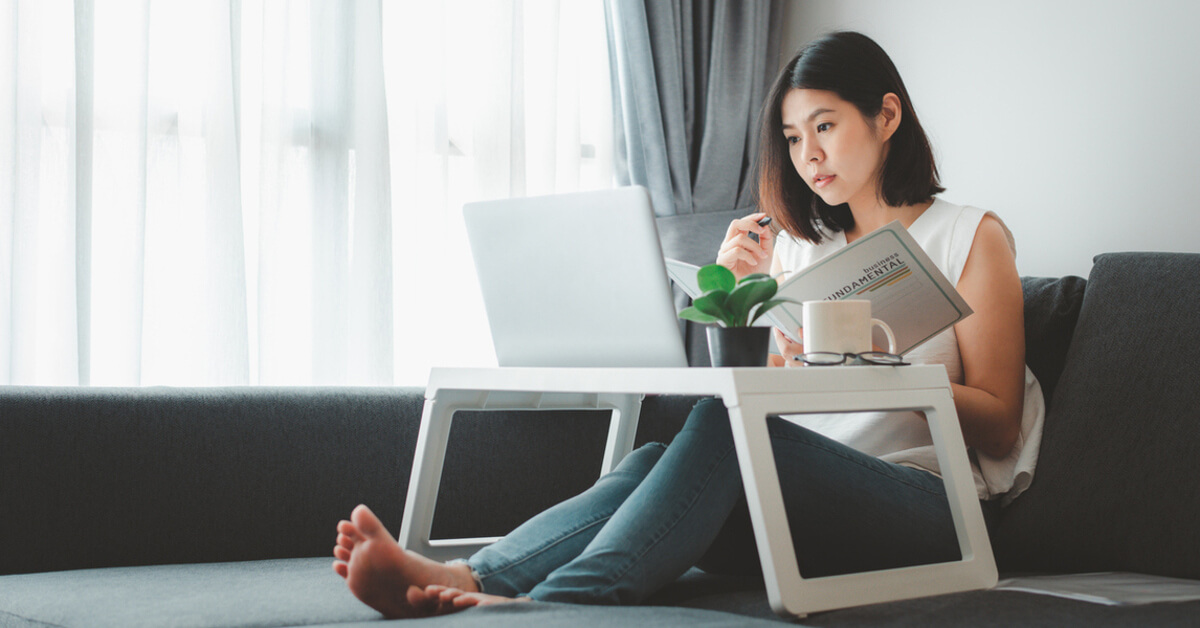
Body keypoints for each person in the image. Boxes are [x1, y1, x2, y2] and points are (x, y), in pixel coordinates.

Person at [331, 30, 1045, 618]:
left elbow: (1000, 423)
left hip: (925, 508)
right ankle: (472, 577)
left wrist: (874, 372)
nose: (809, 156)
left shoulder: (969, 238)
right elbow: (766, 397)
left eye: (825, 126)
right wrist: (733, 295)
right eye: (794, 138)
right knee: (655, 457)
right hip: (792, 501)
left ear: (887, 117)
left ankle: (556, 609)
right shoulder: (799, 252)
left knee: (719, 432)